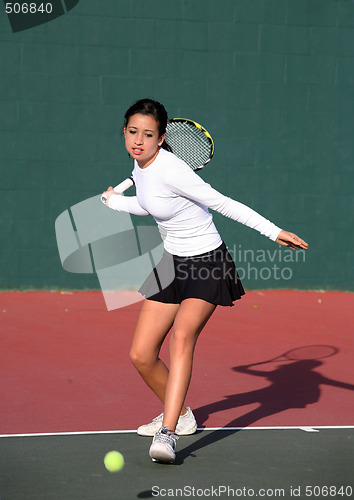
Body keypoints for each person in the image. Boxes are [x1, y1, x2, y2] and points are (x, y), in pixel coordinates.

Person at [102, 98, 308, 464]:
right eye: (133, 132)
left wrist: (272, 230)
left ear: (162, 138)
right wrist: (117, 202)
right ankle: (181, 416)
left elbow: (222, 203)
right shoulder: (141, 167)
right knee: (141, 354)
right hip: (172, 262)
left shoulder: (172, 170)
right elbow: (151, 205)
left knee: (181, 339)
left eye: (148, 134)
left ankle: (167, 436)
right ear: (124, 132)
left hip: (207, 263)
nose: (139, 140)